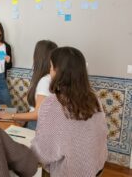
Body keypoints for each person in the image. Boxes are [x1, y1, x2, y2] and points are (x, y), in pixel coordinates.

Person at [31, 47, 108, 177]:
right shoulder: (94, 98)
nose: (49, 71)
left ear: (58, 71)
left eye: (51, 66)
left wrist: (29, 149)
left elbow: (43, 153)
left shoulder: (52, 104)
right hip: (96, 167)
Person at [0, 40, 57, 129]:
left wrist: (11, 115)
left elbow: (37, 114)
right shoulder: (47, 78)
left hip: (37, 125)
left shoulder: (45, 81)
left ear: (39, 57)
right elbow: (36, 108)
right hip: (36, 123)